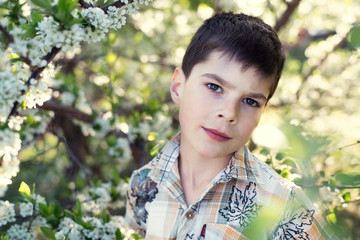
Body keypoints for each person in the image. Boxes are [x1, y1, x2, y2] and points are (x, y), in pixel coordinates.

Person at [125, 12, 336, 239]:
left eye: (250, 101)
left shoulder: (287, 208)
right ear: (178, 86)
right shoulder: (142, 184)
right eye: (214, 87)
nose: (228, 114)